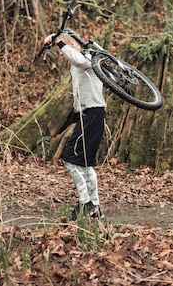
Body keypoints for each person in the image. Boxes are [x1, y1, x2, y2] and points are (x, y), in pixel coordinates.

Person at [43, 32, 106, 220]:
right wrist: (54, 39)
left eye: (69, 46)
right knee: (85, 163)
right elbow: (73, 57)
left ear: (76, 44)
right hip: (88, 115)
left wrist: (61, 43)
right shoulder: (79, 59)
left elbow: (79, 60)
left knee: (70, 159)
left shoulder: (89, 57)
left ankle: (85, 202)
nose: (64, 52)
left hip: (92, 114)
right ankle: (94, 206)